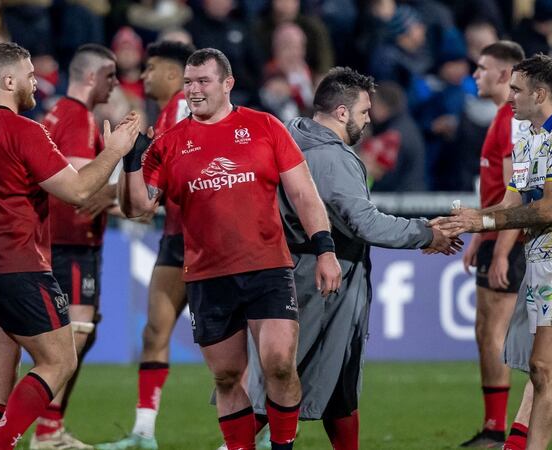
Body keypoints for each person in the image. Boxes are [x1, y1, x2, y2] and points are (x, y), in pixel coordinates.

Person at [118, 47, 342, 450]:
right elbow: (137, 208)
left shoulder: (265, 127)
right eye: (188, 82)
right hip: (207, 275)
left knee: (278, 365)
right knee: (226, 377)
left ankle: (282, 446)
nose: (193, 90)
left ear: (227, 83)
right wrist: (131, 162)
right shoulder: (169, 142)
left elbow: (305, 194)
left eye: (202, 81)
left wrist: (325, 249)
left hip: (267, 267)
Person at [244, 67, 460, 450]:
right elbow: (364, 223)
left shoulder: (288, 135)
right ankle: (235, 444)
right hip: (322, 279)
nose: (368, 119)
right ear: (342, 113)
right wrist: (426, 233)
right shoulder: (332, 158)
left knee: (325, 382)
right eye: (363, 111)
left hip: (284, 269)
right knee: (299, 376)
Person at [0, 42, 139, 450]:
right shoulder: (24, 130)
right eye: (30, 75)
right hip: (19, 267)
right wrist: (118, 150)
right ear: (8, 80)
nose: (37, 82)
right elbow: (80, 191)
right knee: (60, 361)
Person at [434, 54, 552, 450]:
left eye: (516, 90)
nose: (510, 97)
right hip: (542, 266)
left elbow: (550, 209)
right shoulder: (529, 138)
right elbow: (511, 202)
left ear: (539, 93)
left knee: (542, 369)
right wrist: (466, 218)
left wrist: (480, 224)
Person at [98, 39, 195, 450]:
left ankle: (257, 433)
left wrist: (98, 194)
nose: (143, 75)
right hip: (176, 236)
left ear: (173, 74)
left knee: (227, 345)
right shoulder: (167, 114)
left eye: (150, 68)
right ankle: (143, 433)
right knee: (155, 330)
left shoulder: (189, 110)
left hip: (207, 240)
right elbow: (153, 190)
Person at [30, 43, 121, 450]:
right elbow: (81, 187)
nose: (116, 84)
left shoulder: (57, 113)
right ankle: (45, 431)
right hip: (71, 241)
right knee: (74, 338)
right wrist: (128, 189)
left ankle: (51, 427)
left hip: (61, 240)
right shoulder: (76, 115)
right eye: (110, 75)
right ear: (90, 77)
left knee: (81, 336)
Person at [457, 40, 528, 448]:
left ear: (504, 74)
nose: (475, 75)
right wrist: (481, 237)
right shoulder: (503, 117)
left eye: (481, 68)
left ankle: (496, 429)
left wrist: (500, 248)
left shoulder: (511, 121)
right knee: (489, 331)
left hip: (511, 238)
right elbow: (499, 191)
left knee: (495, 333)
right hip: (497, 233)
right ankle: (497, 426)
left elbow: (515, 193)